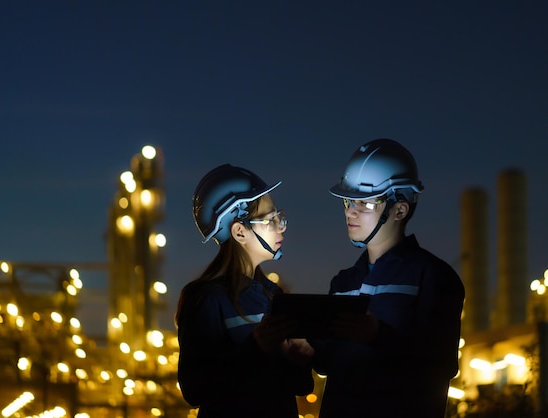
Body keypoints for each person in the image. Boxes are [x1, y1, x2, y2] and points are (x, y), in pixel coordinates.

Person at [311, 138, 465, 418]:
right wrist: (306, 351)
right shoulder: (344, 283)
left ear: (400, 209)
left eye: (365, 203)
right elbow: (328, 363)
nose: (350, 211)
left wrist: (377, 336)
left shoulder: (433, 276)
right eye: (348, 200)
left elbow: (442, 365)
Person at [175, 164, 314, 418]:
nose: (281, 227)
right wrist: (255, 348)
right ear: (239, 231)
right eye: (270, 220)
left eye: (279, 217)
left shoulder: (274, 295)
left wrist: (299, 358)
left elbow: (301, 387)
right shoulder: (206, 299)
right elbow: (194, 389)